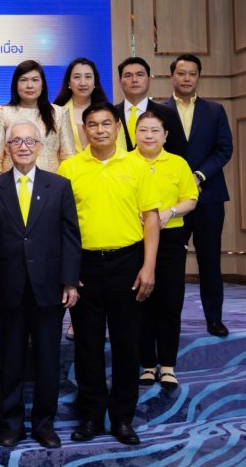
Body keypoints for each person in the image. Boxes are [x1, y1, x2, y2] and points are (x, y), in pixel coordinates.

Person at [57, 103, 161, 446]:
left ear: (118, 127)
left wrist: (148, 267)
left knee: (126, 345)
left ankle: (122, 418)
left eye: (106, 124)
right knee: (87, 345)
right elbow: (61, 224)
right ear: (84, 130)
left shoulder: (137, 165)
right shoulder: (70, 168)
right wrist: (67, 270)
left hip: (127, 263)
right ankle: (90, 416)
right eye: (92, 124)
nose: (100, 130)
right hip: (84, 266)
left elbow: (151, 219)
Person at [0, 119, 80, 449]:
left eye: (30, 141)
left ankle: (44, 424)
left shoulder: (59, 186)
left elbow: (70, 237)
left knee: (47, 359)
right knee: (11, 359)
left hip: (49, 287)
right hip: (8, 288)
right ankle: (10, 424)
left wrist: (70, 281)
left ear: (41, 147)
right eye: (16, 141)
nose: (23, 147)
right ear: (6, 148)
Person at [166, 54, 234, 337]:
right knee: (172, 264)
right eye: (181, 73)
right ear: (172, 76)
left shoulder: (215, 110)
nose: (186, 78)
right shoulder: (160, 111)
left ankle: (214, 319)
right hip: (171, 199)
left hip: (209, 197)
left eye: (192, 74)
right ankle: (170, 321)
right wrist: (180, 181)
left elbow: (224, 149)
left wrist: (198, 175)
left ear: (198, 77)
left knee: (210, 260)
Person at [132, 111, 199, 389]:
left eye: (155, 131)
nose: (149, 136)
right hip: (134, 238)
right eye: (143, 130)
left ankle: (168, 365)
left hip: (171, 238)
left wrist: (169, 212)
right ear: (134, 133)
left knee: (170, 301)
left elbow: (191, 199)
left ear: (165, 135)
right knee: (140, 300)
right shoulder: (125, 162)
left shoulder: (178, 163)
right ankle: (147, 364)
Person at [0, 59, 75, 173]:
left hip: (51, 181)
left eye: (35, 80)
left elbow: (68, 156)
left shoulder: (59, 113)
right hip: (11, 181)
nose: (29, 86)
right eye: (23, 80)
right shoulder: (3, 113)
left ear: (42, 85)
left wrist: (63, 183)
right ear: (15, 85)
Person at [115, 57, 185, 155]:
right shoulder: (111, 114)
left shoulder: (168, 114)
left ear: (149, 80)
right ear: (120, 81)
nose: (134, 80)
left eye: (140, 75)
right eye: (128, 75)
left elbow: (178, 152)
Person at [53, 57, 110, 151]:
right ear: (69, 82)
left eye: (88, 77)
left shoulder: (108, 112)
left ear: (95, 82)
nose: (83, 83)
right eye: (77, 77)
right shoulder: (56, 113)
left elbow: (120, 148)